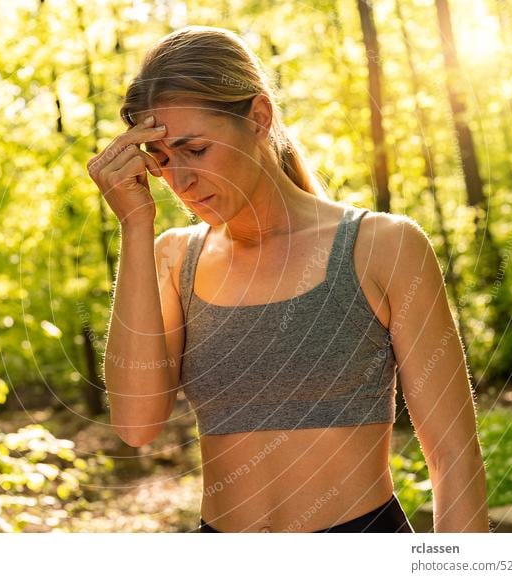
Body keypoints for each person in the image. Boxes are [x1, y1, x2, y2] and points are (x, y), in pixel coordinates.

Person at [87, 25, 489, 533]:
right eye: (163, 161)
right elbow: (137, 424)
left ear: (258, 117)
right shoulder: (171, 257)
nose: (180, 181)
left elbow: (454, 455)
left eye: (196, 149)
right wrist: (134, 224)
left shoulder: (383, 246)